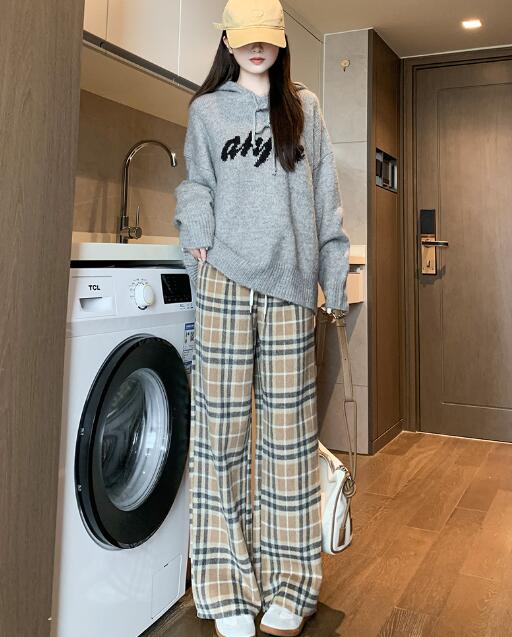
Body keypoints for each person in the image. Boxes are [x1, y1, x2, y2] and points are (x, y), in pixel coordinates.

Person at [173, 1, 350, 635]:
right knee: (218, 437)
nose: (256, 49)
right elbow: (196, 184)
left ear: (280, 41)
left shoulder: (305, 109)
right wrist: (196, 227)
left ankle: (291, 586)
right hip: (223, 281)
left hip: (291, 290)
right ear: (228, 40)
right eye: (245, 38)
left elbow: (326, 199)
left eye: (266, 38)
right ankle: (225, 591)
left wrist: (334, 275)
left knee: (288, 441)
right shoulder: (207, 111)